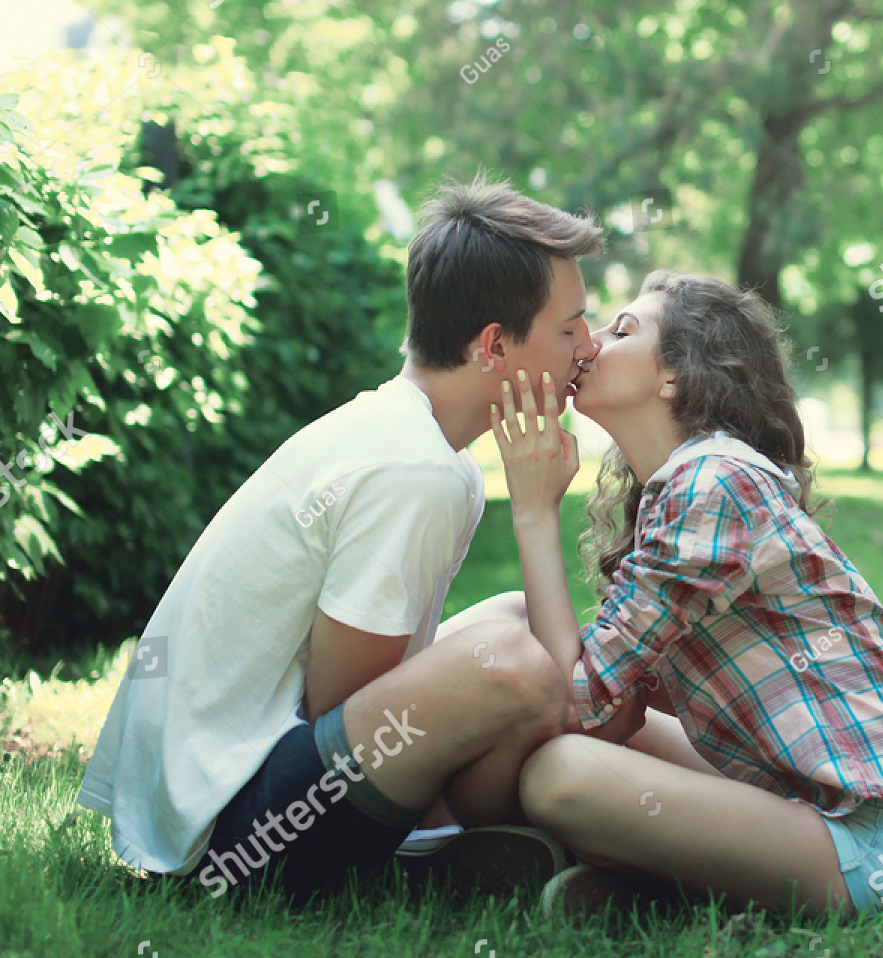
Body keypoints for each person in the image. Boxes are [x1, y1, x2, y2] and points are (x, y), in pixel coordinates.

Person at [76, 176, 649, 901]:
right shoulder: (413, 470)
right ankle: (468, 848)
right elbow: (339, 711)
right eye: (570, 328)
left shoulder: (421, 442)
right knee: (515, 664)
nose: (589, 346)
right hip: (234, 831)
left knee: (510, 622)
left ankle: (504, 832)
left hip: (264, 774)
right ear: (495, 346)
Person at [491, 271, 883, 917]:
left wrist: (532, 510)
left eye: (622, 329)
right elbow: (608, 712)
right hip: (795, 803)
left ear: (675, 376)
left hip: (882, 843)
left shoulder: (712, 485)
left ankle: (648, 879)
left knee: (562, 774)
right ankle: (646, 874)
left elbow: (581, 706)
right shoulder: (680, 487)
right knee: (515, 635)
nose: (588, 342)